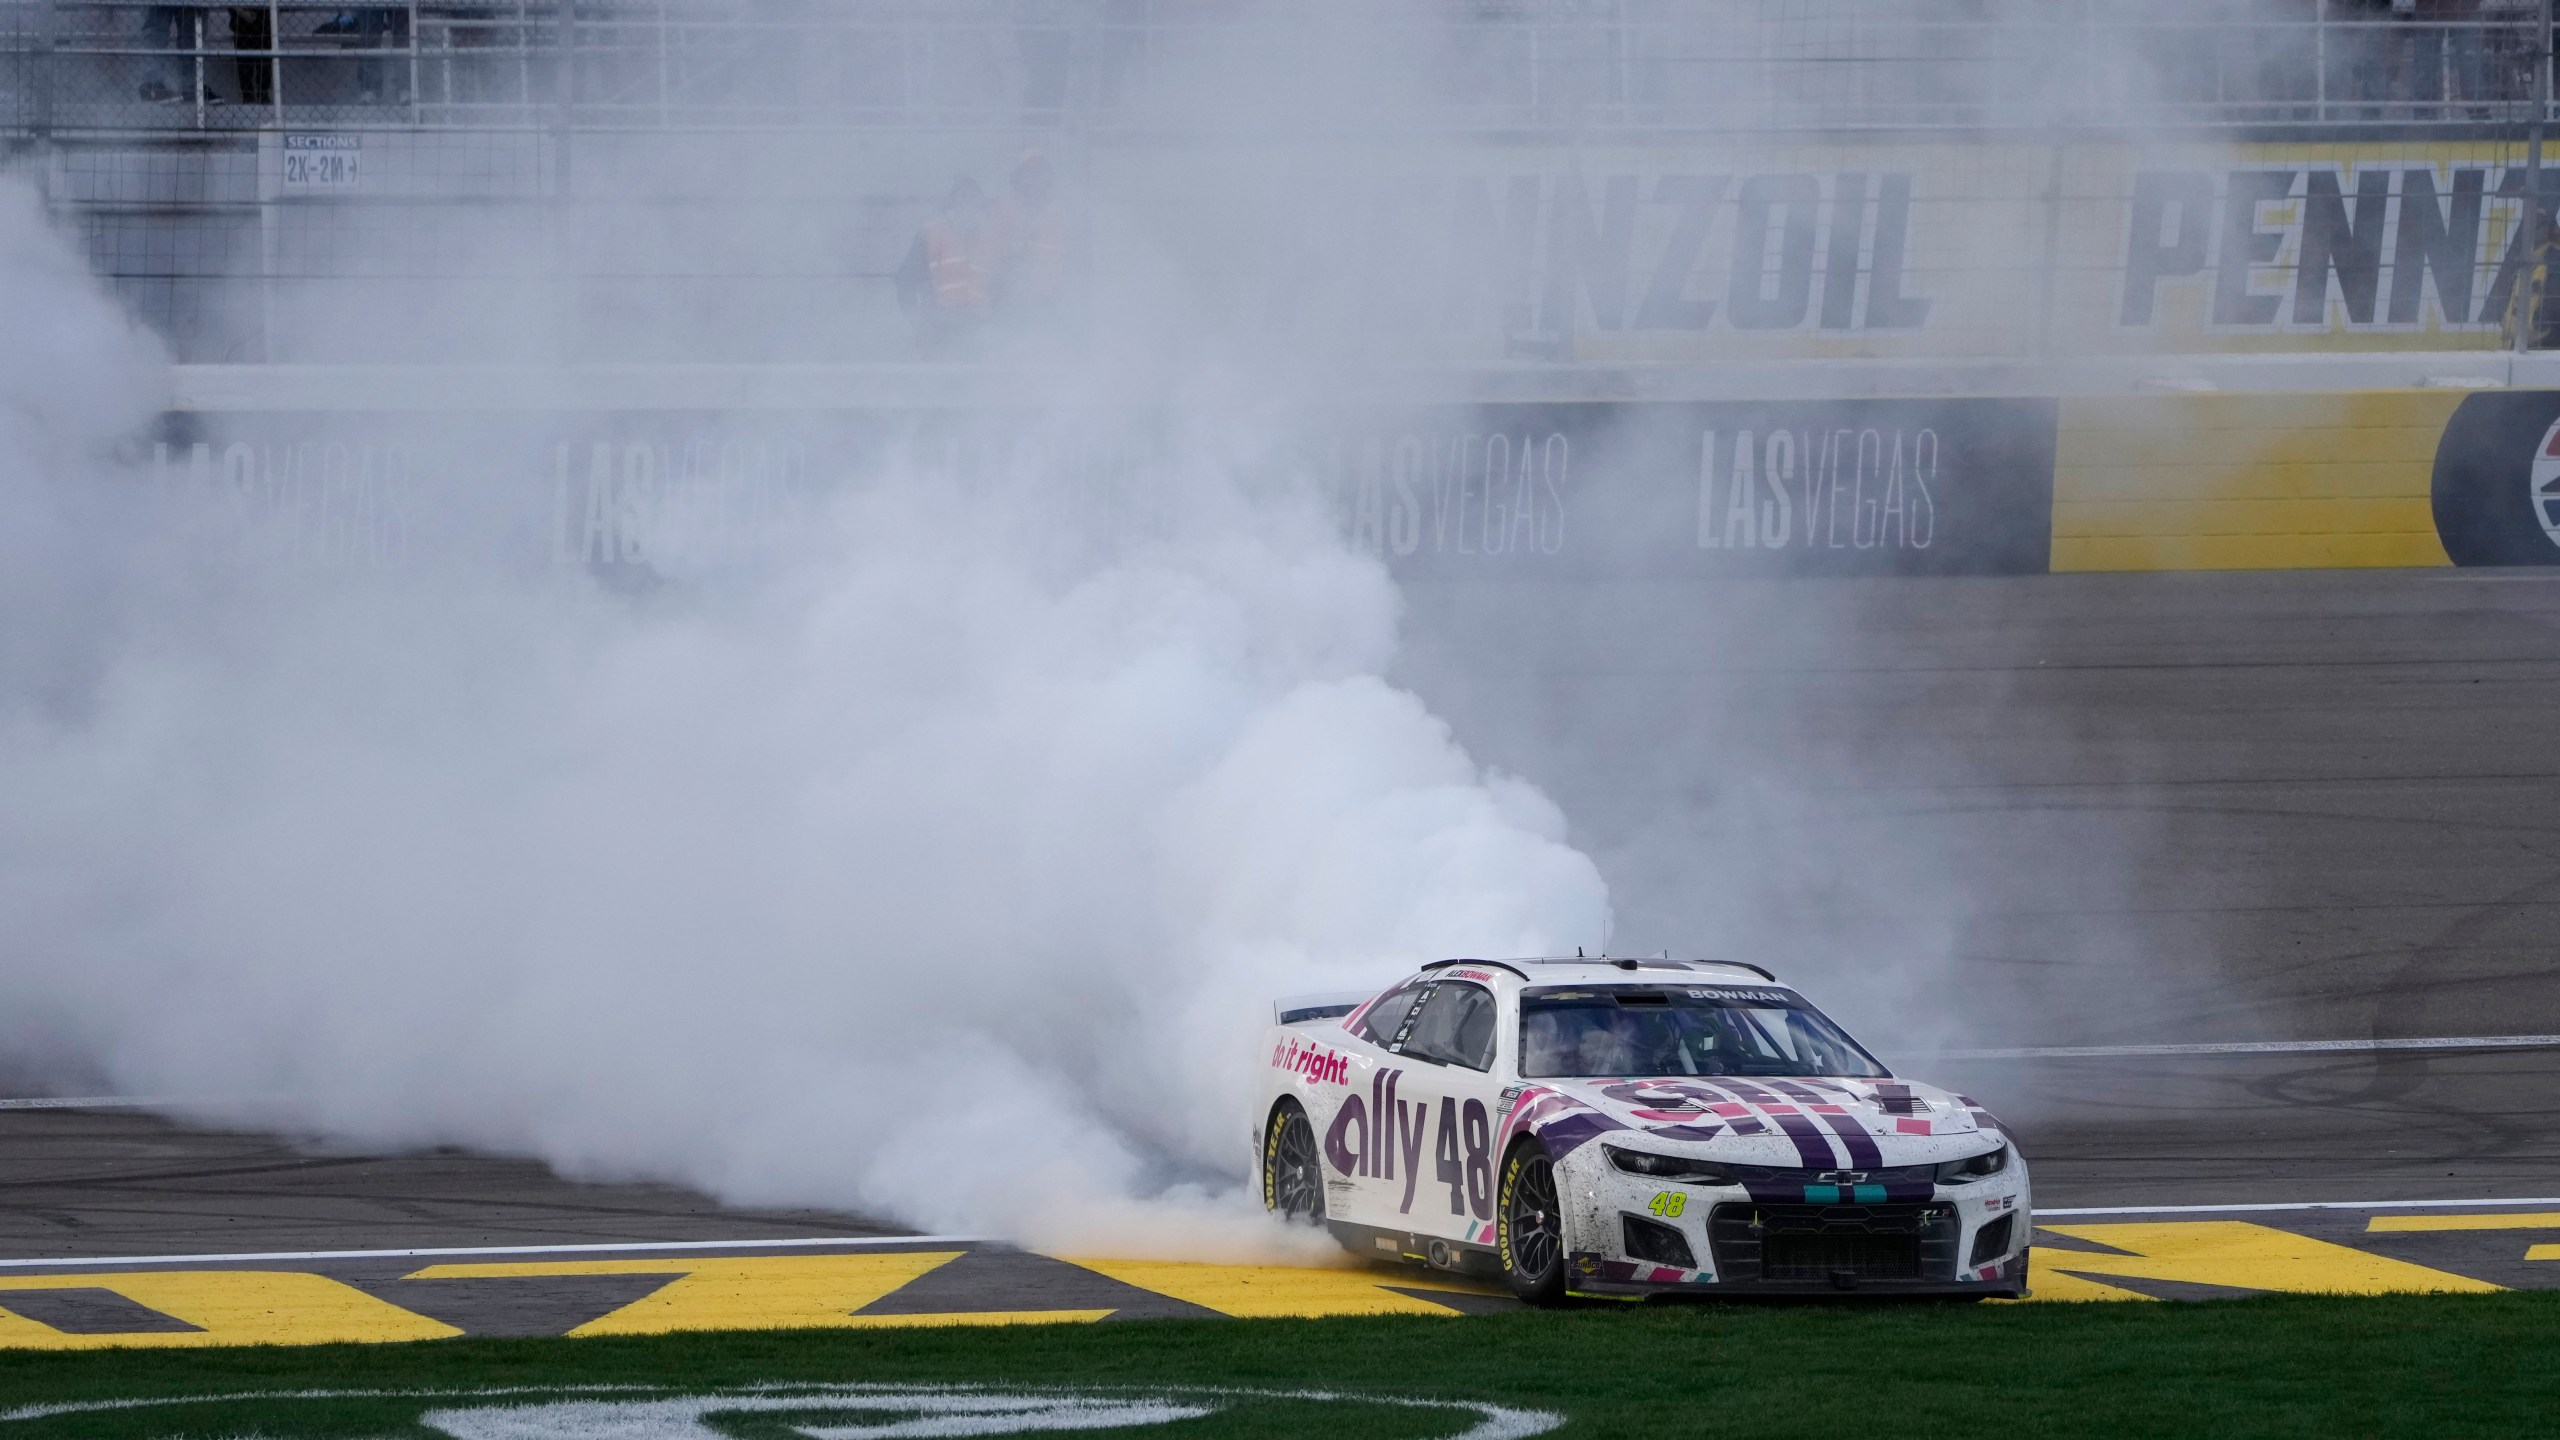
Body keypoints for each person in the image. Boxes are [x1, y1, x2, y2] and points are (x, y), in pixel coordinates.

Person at [894, 178, 1003, 357]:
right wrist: (916, 323)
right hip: (938, 329)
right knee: (937, 373)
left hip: (980, 332)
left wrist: (998, 326)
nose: (967, 204)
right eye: (962, 197)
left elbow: (1004, 284)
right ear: (951, 202)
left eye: (973, 198)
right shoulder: (931, 235)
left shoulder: (991, 240)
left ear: (981, 205)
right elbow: (906, 280)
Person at [994, 149, 1072, 323]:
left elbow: (1068, 260)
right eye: (1028, 176)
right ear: (1018, 181)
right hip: (1010, 301)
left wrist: (1056, 293)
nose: (1033, 183)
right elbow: (993, 255)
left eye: (1039, 176)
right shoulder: (1006, 213)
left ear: (1047, 182)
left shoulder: (1058, 216)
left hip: (1048, 301)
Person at [229, 7, 273, 108]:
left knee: (264, 62)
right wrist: (243, 13)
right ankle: (249, 96)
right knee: (245, 63)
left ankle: (262, 94)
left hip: (262, 22)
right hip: (242, 23)